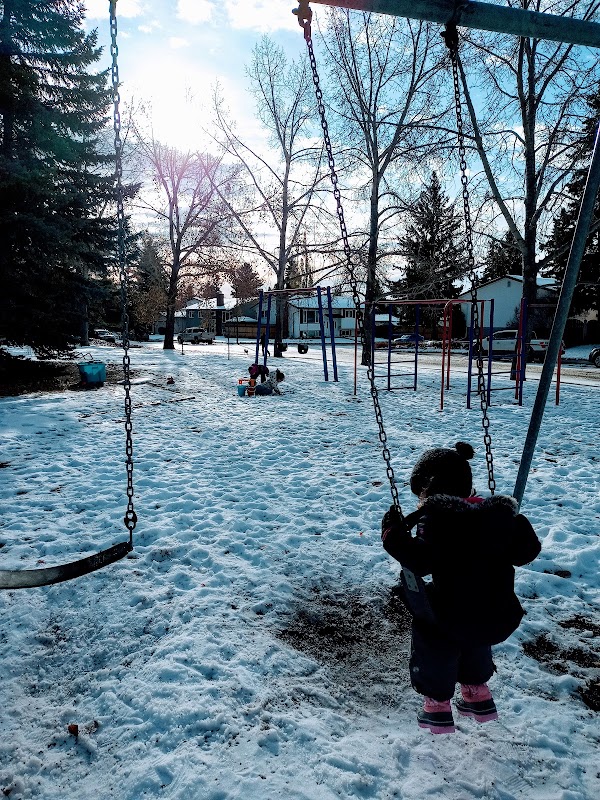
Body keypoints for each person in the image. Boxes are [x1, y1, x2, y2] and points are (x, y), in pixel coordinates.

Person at [381, 441, 541, 735]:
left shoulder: (439, 521)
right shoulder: (497, 517)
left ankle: (437, 706)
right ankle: (477, 694)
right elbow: (526, 552)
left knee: (432, 631)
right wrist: (515, 522)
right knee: (474, 630)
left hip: (455, 615)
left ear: (430, 489)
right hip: (499, 615)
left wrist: (392, 534)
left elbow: (419, 562)